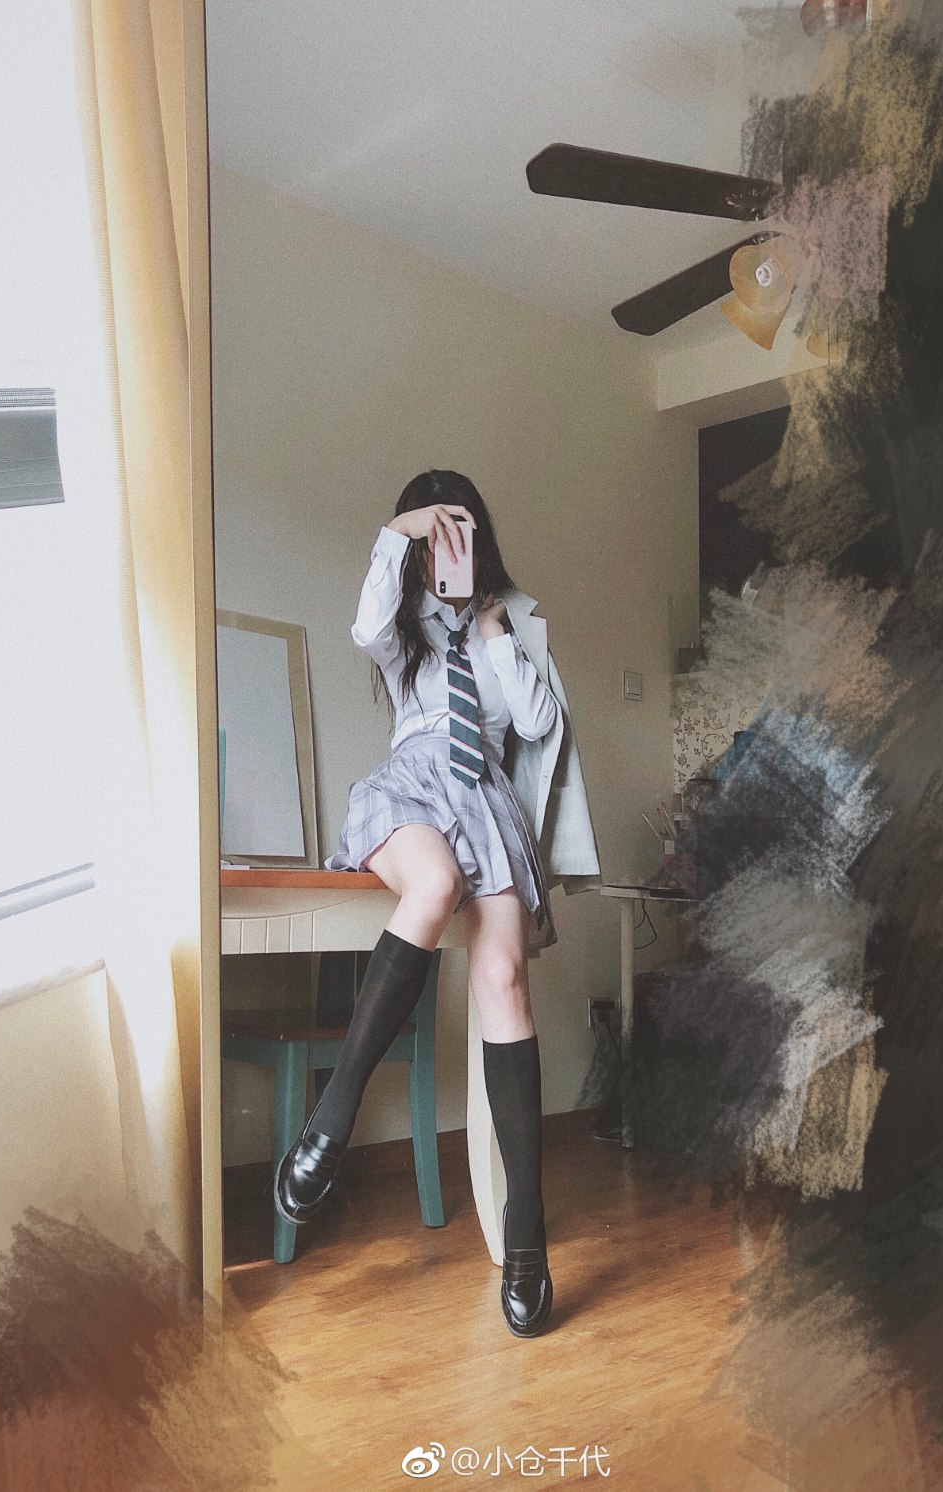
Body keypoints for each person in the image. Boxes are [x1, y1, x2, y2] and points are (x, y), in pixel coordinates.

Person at [275, 469, 578, 1338]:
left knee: (504, 982)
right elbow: (364, 624)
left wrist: (494, 632)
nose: (451, 544)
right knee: (435, 885)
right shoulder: (403, 630)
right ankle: (331, 1122)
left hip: (485, 801)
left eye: (461, 529)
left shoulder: (507, 627)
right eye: (438, 532)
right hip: (410, 789)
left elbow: (536, 723)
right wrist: (399, 530)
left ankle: (526, 1234)